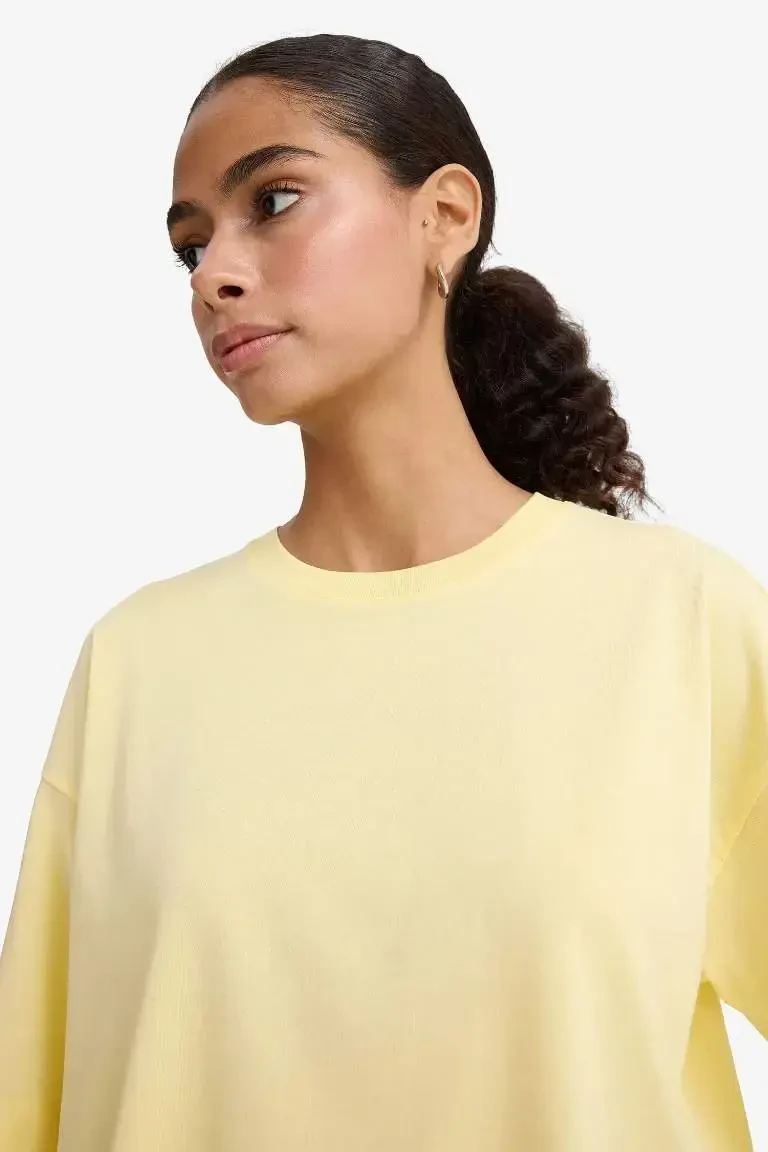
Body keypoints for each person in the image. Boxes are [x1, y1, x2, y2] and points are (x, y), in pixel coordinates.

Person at [1, 31, 765, 1152]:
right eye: (190, 245)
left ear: (444, 216)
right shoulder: (137, 663)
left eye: (274, 200)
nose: (213, 274)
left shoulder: (681, 625)